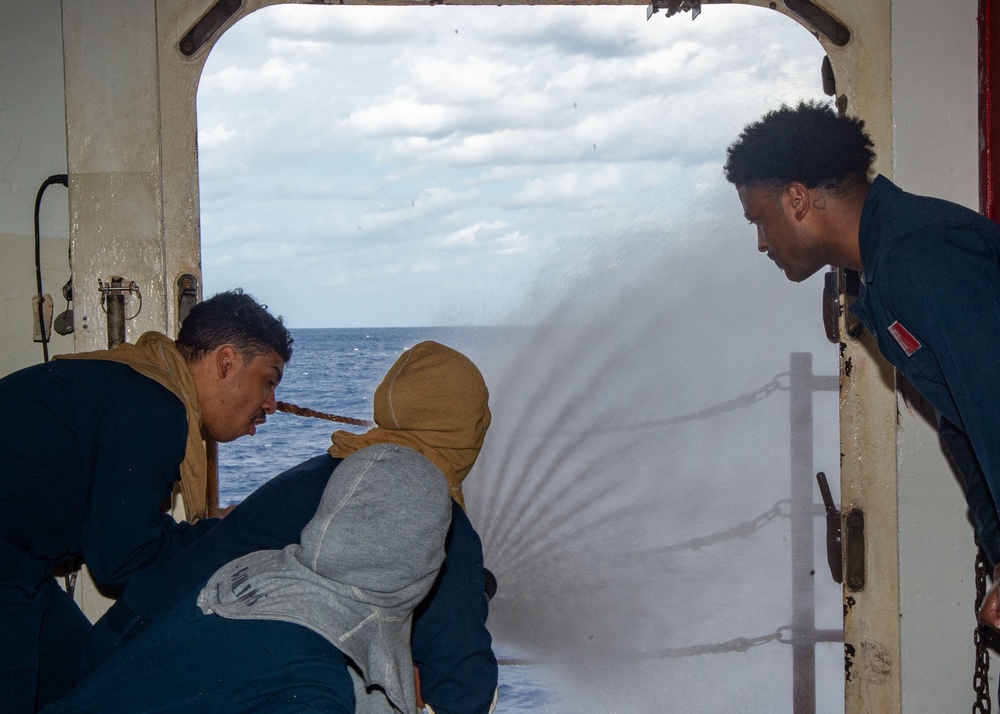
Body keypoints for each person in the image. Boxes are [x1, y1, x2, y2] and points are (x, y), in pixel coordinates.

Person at [54, 340, 499, 714]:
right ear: (469, 429)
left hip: (118, 658)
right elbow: (465, 690)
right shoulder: (435, 522)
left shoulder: (322, 473)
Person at [723, 100, 1000, 626]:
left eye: (760, 221)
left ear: (798, 200)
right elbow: (963, 424)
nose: (761, 243)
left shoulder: (921, 255)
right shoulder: (885, 270)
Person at [0, 289, 293, 713]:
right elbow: (124, 557)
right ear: (226, 362)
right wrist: (223, 536)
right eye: (268, 379)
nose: (270, 403)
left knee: (89, 685)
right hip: (9, 565)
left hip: (23, 564)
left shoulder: (135, 383)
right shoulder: (152, 405)